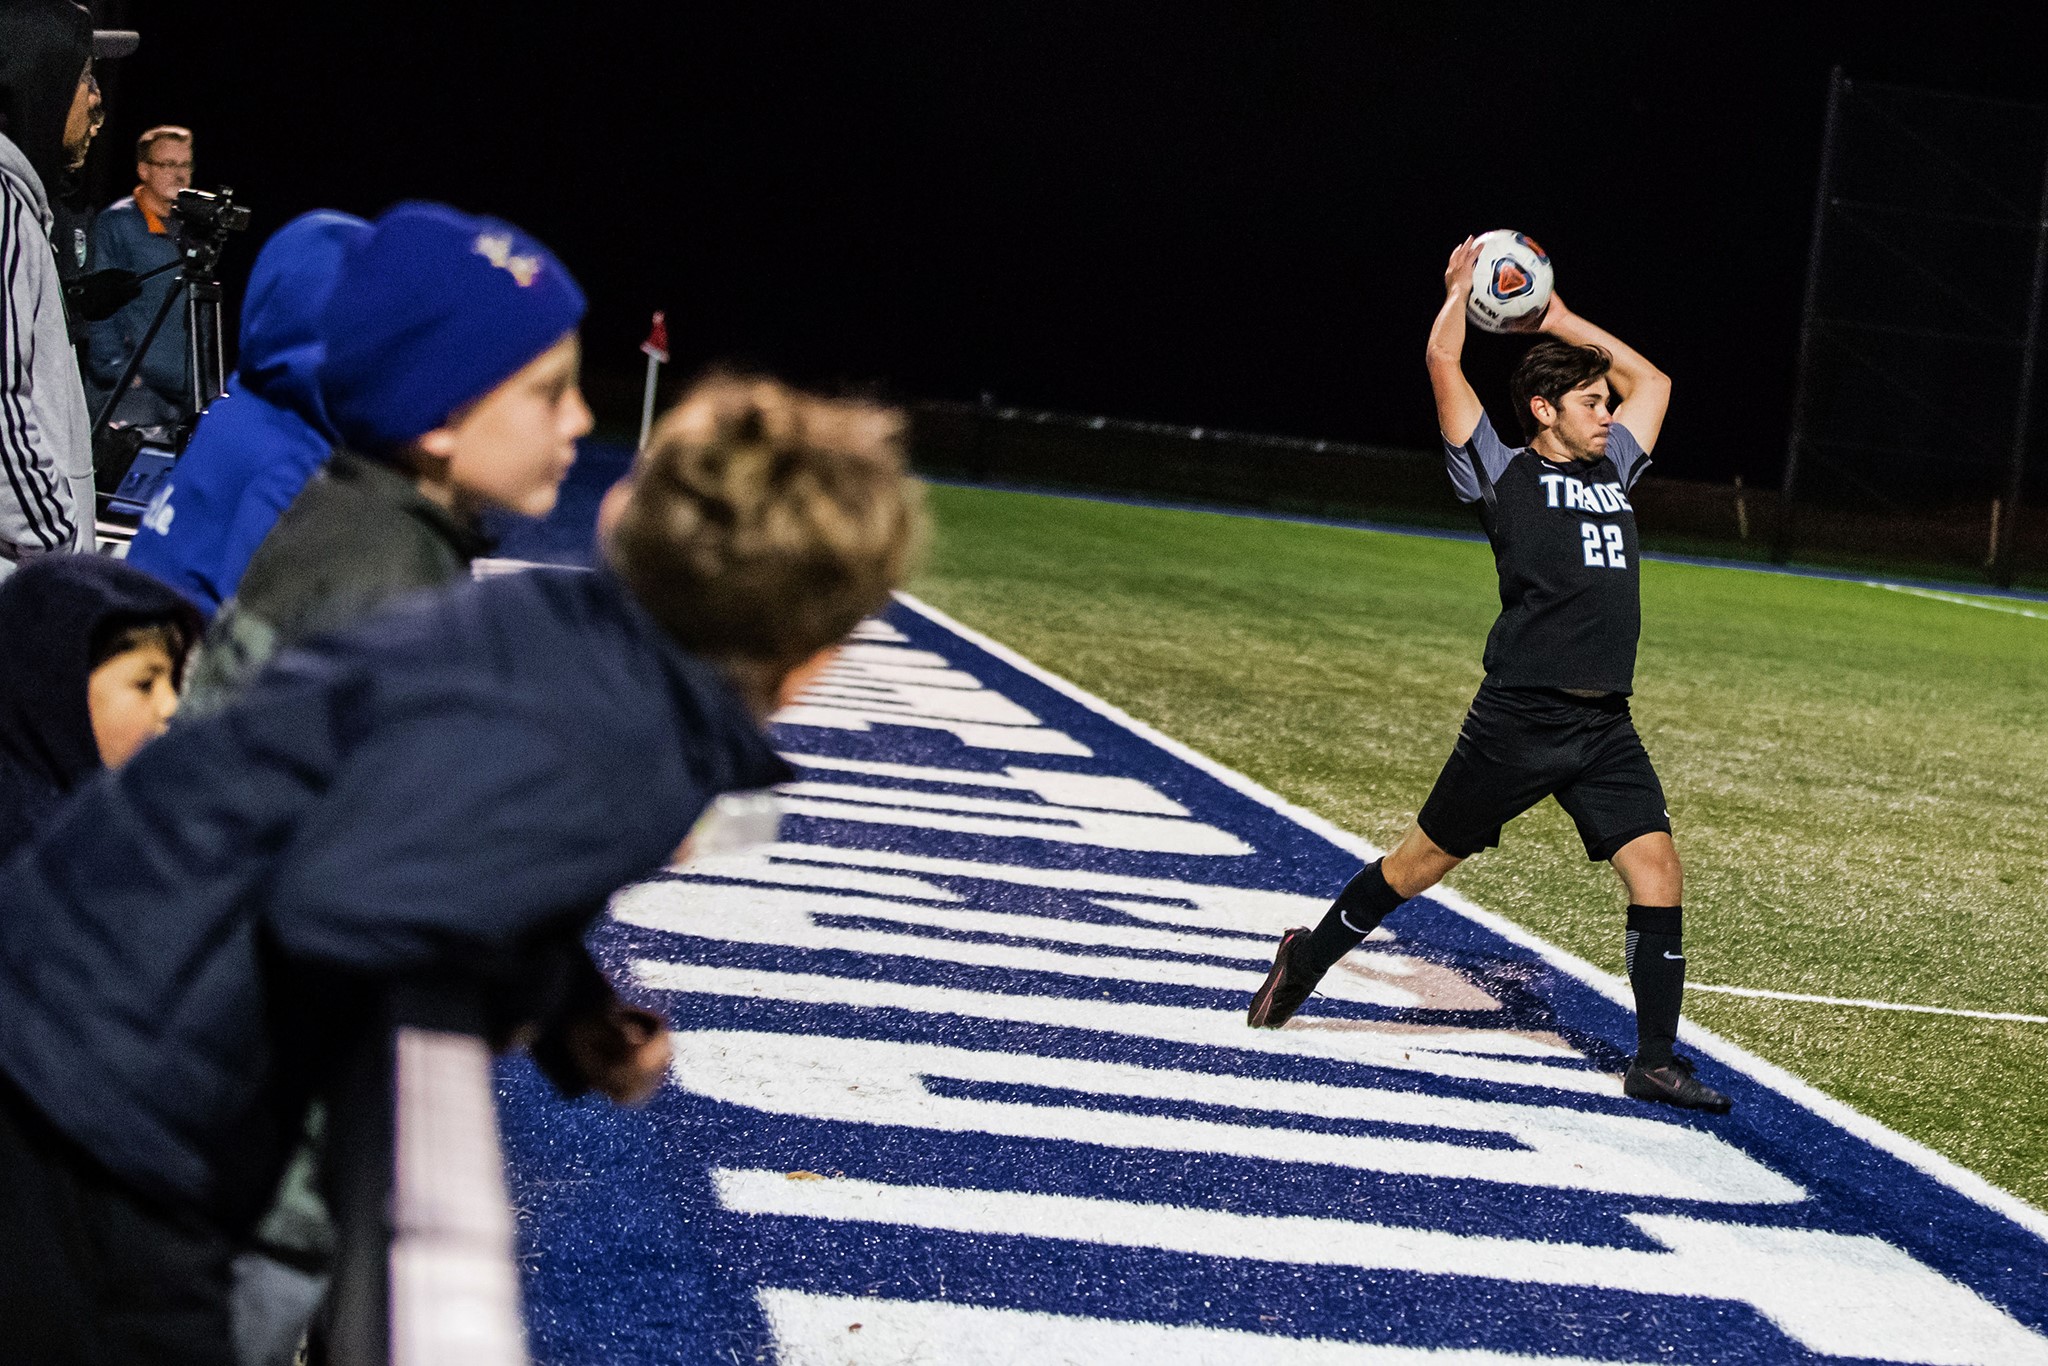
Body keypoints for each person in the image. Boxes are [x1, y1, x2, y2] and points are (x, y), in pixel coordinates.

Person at [0, 373, 924, 1363]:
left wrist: (571, 1008)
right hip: (112, 1104)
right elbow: (346, 897)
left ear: (624, 517)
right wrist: (515, 982)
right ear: (813, 652)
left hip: (66, 1006)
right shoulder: (638, 743)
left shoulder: (558, 637)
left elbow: (437, 824)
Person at [1247, 235, 1728, 1114]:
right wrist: (1458, 292)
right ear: (1542, 409)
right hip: (1517, 721)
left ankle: (1656, 1060)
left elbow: (1652, 382)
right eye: (1589, 401)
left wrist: (1556, 318)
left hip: (1603, 726)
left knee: (1656, 869)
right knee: (1417, 865)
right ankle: (1306, 960)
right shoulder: (1501, 473)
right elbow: (1442, 356)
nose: (1607, 412)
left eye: (1603, 401)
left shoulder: (1615, 466)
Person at [181, 200, 592, 711]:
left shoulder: (355, 522)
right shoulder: (393, 603)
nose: (580, 420)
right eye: (549, 393)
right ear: (438, 420)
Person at [124, 210, 370, 615]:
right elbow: (263, 639)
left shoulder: (239, 408)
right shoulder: (292, 461)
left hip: (143, 650)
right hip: (181, 665)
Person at [0, 553, 198, 861]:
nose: (170, 706)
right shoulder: (36, 857)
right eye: (144, 685)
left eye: (173, 682)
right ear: (58, 689)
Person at [0, 0, 102, 574]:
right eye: (85, 76)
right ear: (41, 80)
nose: (95, 99)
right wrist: (61, 546)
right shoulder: (3, 210)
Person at [83, 123, 193, 431]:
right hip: (131, 397)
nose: (180, 174)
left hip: (182, 398)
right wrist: (121, 374)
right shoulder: (117, 224)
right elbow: (98, 305)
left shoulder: (192, 232)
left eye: (185, 164)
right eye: (168, 164)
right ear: (143, 169)